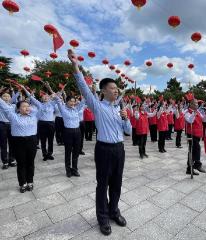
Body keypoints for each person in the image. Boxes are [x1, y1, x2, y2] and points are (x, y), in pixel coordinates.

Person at [68, 49, 131, 236]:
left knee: (117, 183)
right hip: (103, 149)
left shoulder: (119, 108)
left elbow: (128, 131)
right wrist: (75, 65)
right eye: (112, 88)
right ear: (103, 91)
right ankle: (102, 218)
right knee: (102, 184)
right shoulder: (97, 105)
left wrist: (126, 118)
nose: (116, 90)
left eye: (116, 88)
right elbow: (84, 88)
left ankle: (114, 212)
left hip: (119, 149)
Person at [0, 92, 38, 193]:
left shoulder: (34, 115)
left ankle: (30, 181)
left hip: (32, 141)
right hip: (18, 142)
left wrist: (28, 94)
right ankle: (22, 183)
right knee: (21, 163)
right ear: (18, 109)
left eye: (28, 106)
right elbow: (3, 105)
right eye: (24, 106)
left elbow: (38, 104)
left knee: (30, 162)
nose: (27, 108)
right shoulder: (13, 116)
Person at [24, 84, 56, 161]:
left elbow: (56, 95)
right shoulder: (39, 104)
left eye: (47, 96)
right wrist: (24, 89)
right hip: (42, 124)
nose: (45, 97)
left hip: (51, 124)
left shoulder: (52, 104)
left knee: (51, 140)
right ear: (41, 98)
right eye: (44, 96)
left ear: (49, 98)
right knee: (43, 140)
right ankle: (44, 154)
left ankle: (50, 153)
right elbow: (30, 97)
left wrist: (49, 87)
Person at [184, 99, 206, 175]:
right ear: (191, 104)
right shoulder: (187, 112)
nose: (197, 105)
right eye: (195, 104)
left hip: (198, 134)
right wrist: (194, 113)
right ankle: (197, 165)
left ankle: (189, 169)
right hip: (191, 134)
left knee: (192, 152)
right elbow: (190, 121)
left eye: (197, 104)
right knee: (196, 149)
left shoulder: (198, 111)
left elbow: (204, 120)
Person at [0, 88, 17, 170]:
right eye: (4, 96)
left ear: (10, 98)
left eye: (8, 96)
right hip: (2, 125)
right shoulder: (0, 104)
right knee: (3, 144)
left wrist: (18, 91)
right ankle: (5, 161)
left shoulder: (13, 106)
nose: (6, 97)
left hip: (11, 125)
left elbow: (16, 98)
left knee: (12, 143)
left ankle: (12, 159)